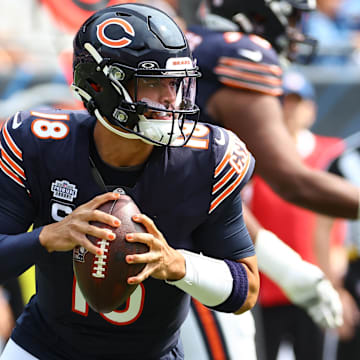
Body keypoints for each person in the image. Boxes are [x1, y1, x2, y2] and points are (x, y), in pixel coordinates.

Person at [0, 3, 259, 360]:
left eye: (176, 82)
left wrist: (177, 264)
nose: (171, 98)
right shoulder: (38, 142)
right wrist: (46, 237)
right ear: (99, 85)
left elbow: (245, 291)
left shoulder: (209, 158)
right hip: (44, 349)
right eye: (153, 83)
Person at [249, 70, 346, 360]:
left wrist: (337, 283)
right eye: (282, 101)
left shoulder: (332, 154)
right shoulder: (253, 156)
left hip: (317, 287)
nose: (288, 109)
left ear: (311, 109)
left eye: (296, 101)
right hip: (264, 289)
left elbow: (337, 229)